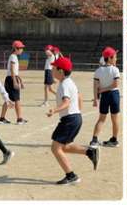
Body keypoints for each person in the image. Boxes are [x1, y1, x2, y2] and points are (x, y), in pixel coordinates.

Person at [48, 56, 100, 185]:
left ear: (60, 71)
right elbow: (78, 97)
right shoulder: (69, 82)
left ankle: (71, 176)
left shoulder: (64, 84)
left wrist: (54, 110)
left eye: (54, 68)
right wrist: (78, 111)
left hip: (69, 119)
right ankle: (90, 152)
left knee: (55, 148)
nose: (52, 69)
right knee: (64, 147)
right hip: (75, 118)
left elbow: (66, 102)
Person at [90, 47, 121, 148]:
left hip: (105, 96)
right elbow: (116, 84)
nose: (116, 59)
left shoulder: (98, 71)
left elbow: (95, 86)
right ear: (110, 58)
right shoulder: (115, 69)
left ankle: (94, 140)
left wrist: (96, 98)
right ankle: (114, 140)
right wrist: (103, 90)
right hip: (114, 95)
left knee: (101, 118)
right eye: (115, 57)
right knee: (115, 119)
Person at [0, 40, 27, 125]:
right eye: (21, 48)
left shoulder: (14, 56)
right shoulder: (13, 57)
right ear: (16, 48)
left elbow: (15, 71)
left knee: (8, 99)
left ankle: (2, 118)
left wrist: (20, 81)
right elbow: (12, 69)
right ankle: (19, 119)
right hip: (11, 79)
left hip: (11, 78)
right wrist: (14, 81)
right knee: (17, 100)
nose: (22, 50)